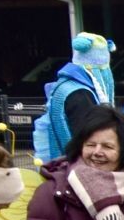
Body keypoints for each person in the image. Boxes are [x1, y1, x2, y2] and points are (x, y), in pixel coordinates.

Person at [32, 31, 115, 166]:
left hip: (57, 165)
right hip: (74, 170)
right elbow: (87, 138)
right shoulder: (81, 94)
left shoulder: (64, 86)